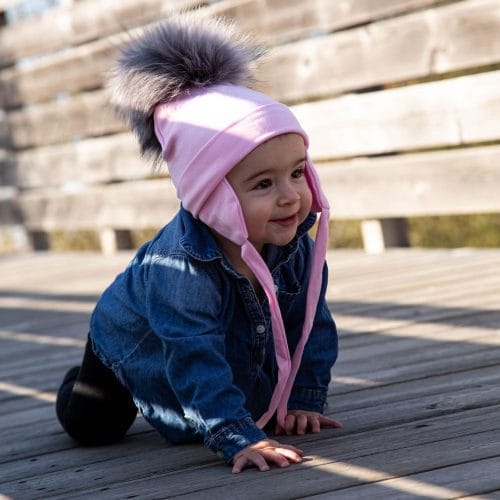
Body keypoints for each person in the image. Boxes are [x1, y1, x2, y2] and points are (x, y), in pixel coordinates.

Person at [55, 14, 340, 474]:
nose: (291, 196)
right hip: (127, 341)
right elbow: (195, 357)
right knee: (93, 426)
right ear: (209, 195)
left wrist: (304, 399)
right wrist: (237, 435)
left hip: (208, 339)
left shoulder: (295, 247)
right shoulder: (180, 270)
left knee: (251, 388)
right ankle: (81, 380)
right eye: (263, 183)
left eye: (296, 172)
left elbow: (311, 324)